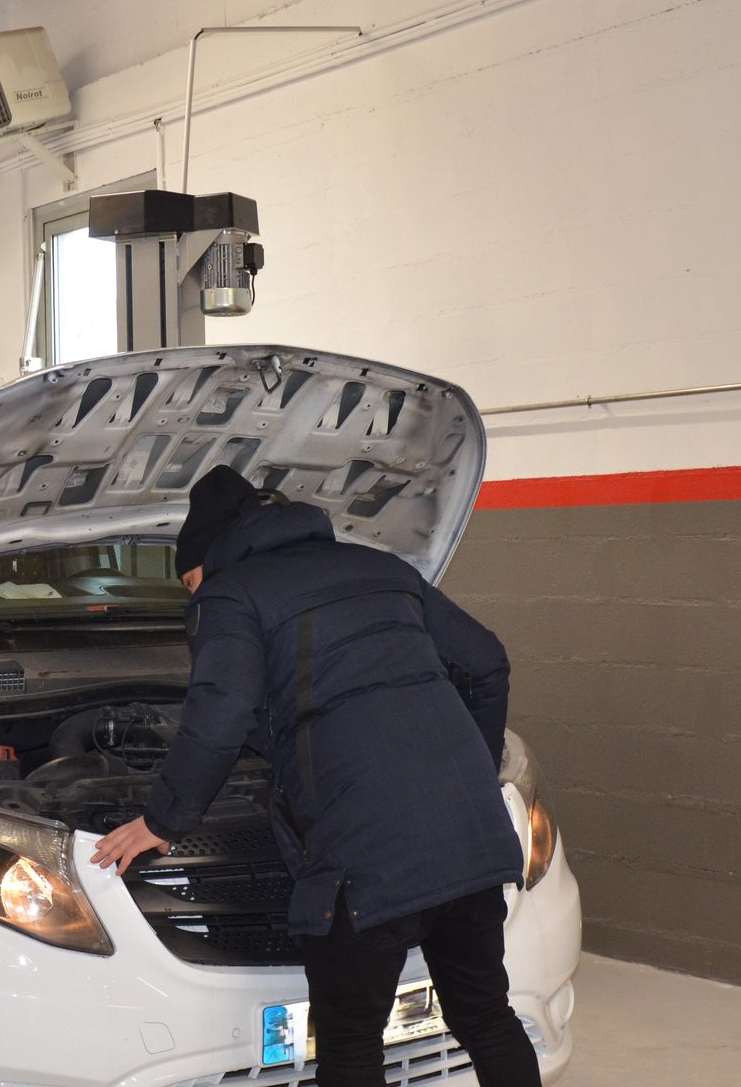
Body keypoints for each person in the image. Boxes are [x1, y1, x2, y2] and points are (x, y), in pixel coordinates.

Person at [92, 465, 540, 1087]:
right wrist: (470, 771)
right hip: (472, 839)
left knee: (352, 1047)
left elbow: (220, 716)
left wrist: (164, 819)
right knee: (487, 1015)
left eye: (188, 581)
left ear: (202, 563)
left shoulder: (232, 593)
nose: (192, 595)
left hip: (365, 859)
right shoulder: (382, 568)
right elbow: (487, 663)